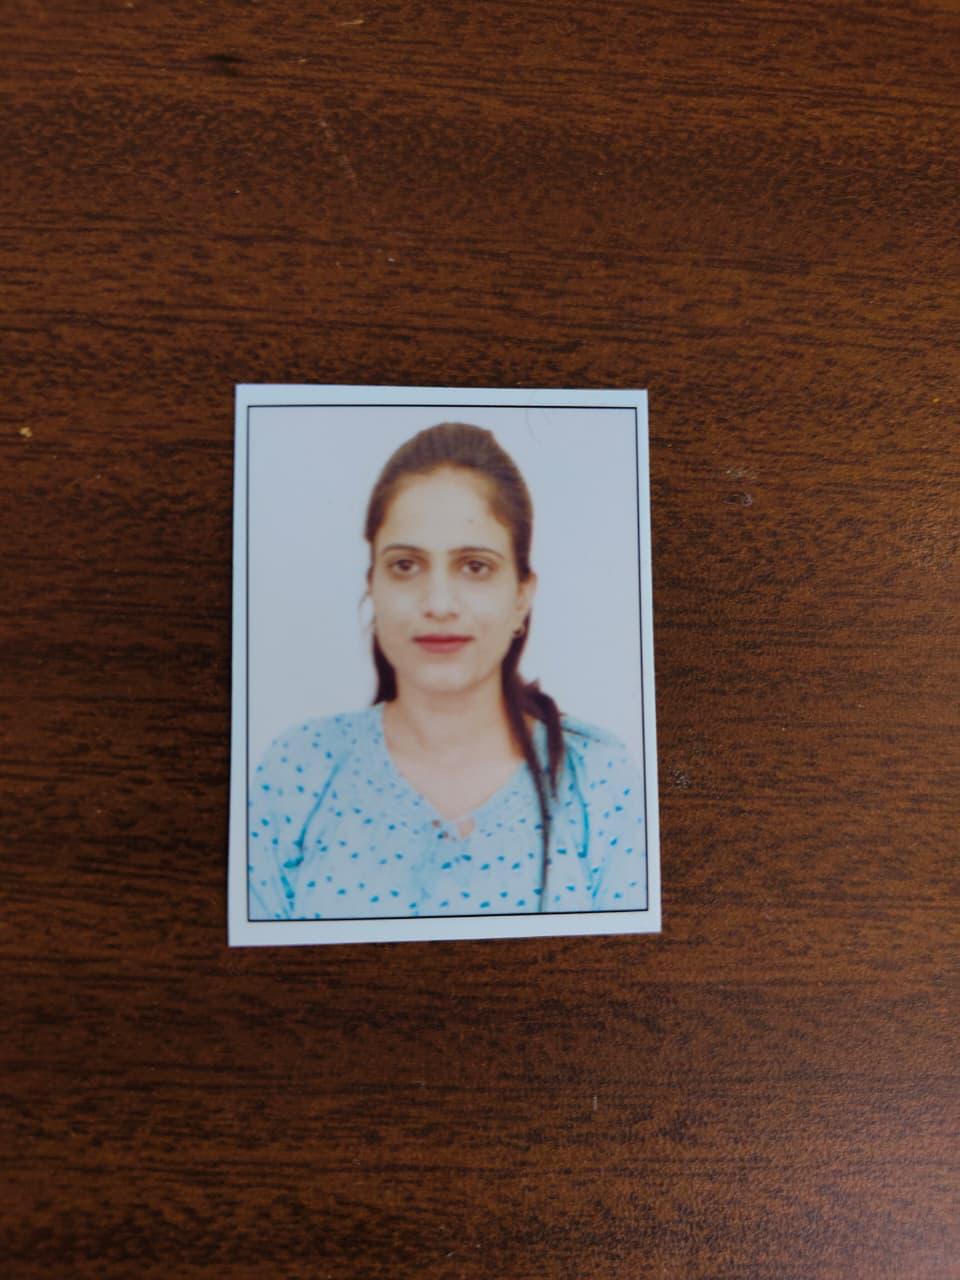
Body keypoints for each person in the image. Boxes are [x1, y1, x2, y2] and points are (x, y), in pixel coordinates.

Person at [248, 423, 647, 921]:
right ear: (372, 584)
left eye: (475, 566)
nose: (438, 603)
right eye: (405, 565)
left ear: (521, 596)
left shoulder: (599, 784)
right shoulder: (296, 772)